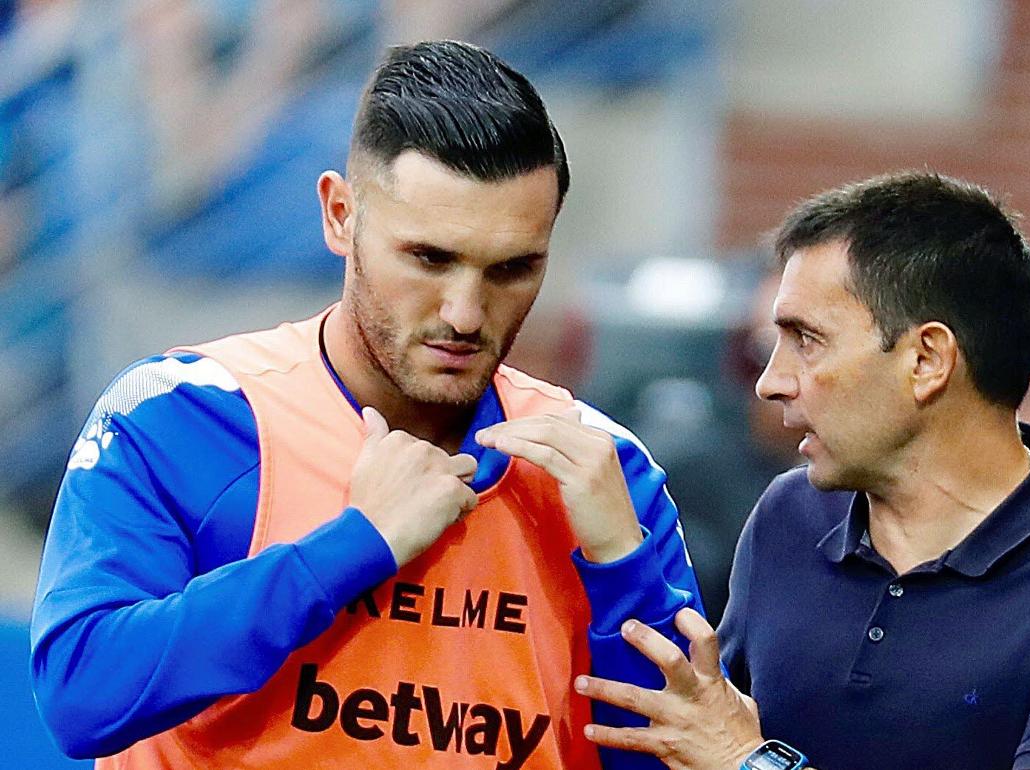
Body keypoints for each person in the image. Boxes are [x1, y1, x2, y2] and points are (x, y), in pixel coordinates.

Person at [30, 40, 702, 769]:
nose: (467, 313)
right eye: (429, 258)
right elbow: (84, 694)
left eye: (512, 268)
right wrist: (357, 544)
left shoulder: (608, 471)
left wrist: (621, 568)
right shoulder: (186, 414)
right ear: (340, 214)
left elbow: (670, 757)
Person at [575, 171, 1030, 770]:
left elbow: (730, 750)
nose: (771, 383)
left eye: (806, 340)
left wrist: (752, 761)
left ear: (928, 359)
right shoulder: (788, 517)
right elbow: (699, 737)